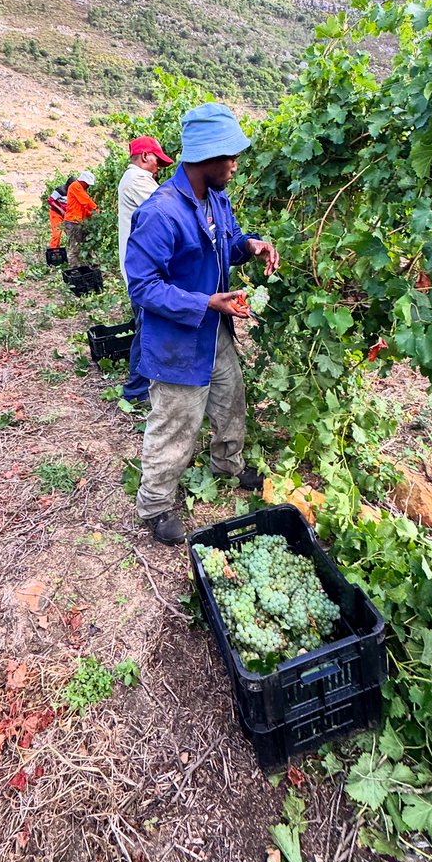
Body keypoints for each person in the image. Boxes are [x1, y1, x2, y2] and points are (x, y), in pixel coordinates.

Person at [124, 103, 279, 545]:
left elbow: (224, 244)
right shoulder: (160, 212)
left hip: (214, 334)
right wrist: (206, 302)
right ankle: (155, 506)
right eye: (228, 157)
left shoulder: (215, 199)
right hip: (178, 340)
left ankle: (227, 466)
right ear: (204, 158)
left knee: (231, 403)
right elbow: (143, 287)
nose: (234, 165)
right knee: (175, 425)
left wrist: (250, 245)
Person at [117, 136, 174, 405]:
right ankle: (137, 392)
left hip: (142, 268)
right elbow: (169, 209)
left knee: (148, 326)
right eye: (157, 161)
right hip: (143, 273)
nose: (159, 167)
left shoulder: (136, 180)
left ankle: (144, 385)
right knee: (147, 328)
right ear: (144, 157)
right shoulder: (138, 181)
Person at [63, 171, 98, 266]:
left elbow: (85, 208)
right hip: (73, 222)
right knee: (75, 247)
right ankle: (74, 269)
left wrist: (93, 216)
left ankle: (92, 265)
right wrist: (97, 210)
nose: (88, 186)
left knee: (87, 243)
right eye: (87, 184)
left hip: (80, 221)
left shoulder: (81, 188)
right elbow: (86, 202)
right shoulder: (76, 186)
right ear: (83, 181)